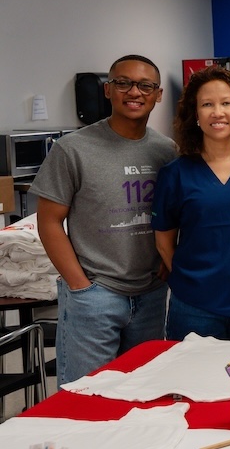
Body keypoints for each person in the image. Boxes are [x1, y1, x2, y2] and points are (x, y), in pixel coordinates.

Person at [33, 55, 176, 385]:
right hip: (97, 294)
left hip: (151, 293)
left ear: (157, 95)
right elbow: (49, 222)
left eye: (145, 85)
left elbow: (173, 216)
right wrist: (80, 286)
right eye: (123, 83)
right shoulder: (73, 149)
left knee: (143, 391)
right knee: (86, 396)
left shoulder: (167, 151)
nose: (134, 92)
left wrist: (168, 258)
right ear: (108, 90)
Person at [152, 67, 230, 341]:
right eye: (207, 104)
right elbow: (164, 242)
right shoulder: (175, 174)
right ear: (195, 115)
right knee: (193, 383)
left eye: (226, 103)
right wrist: (195, 281)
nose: (217, 112)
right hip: (194, 307)